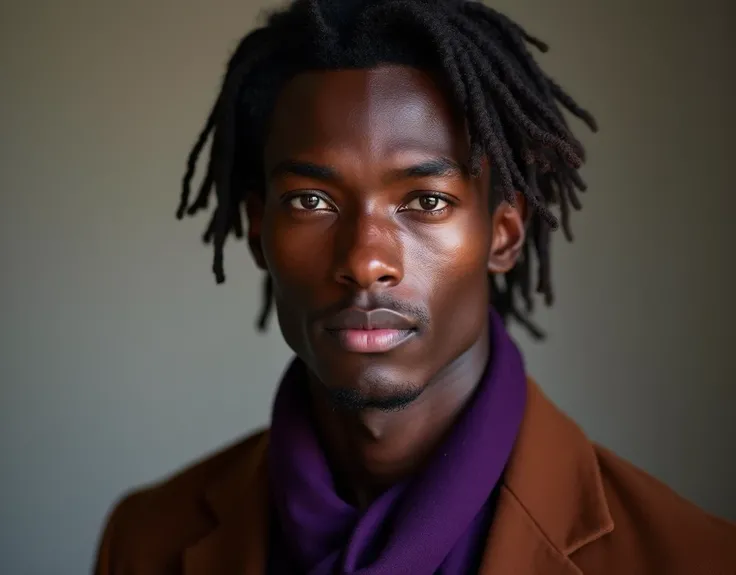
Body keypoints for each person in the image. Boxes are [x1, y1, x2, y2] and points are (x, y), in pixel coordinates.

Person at [93, 0, 736, 573]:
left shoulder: (692, 557)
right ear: (258, 230)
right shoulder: (146, 540)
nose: (367, 261)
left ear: (503, 234)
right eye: (312, 200)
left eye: (426, 200)